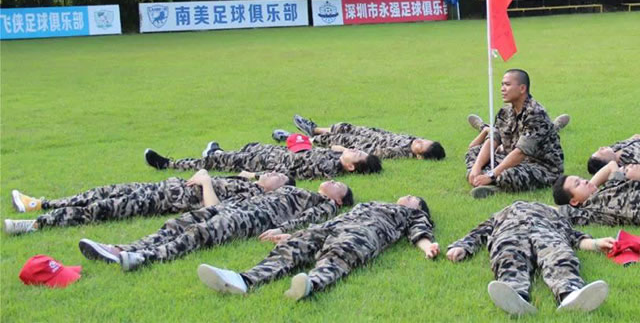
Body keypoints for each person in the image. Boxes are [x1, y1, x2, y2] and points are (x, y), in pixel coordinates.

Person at [76, 178, 353, 272]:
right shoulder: (299, 189)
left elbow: (308, 219)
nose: (333, 181)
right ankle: (120, 248)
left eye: (339, 185)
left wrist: (283, 229)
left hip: (256, 218)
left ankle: (143, 257)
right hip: (240, 205)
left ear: (339, 200)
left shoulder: (326, 204)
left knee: (201, 233)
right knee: (178, 223)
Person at [197, 195, 438, 298]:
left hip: (364, 233)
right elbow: (335, 218)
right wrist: (294, 234)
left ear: (418, 207)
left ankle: (311, 284)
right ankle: (242, 280)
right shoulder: (371, 203)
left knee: (338, 256)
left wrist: (427, 247)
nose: (408, 196)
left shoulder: (412, 214)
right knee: (291, 248)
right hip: (328, 227)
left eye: (414, 198)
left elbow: (419, 233)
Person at [446, 201, 613, 315]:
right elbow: (480, 232)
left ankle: (570, 293)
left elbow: (575, 237)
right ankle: (515, 294)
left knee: (560, 255)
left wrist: (596, 243)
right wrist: (462, 246)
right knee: (508, 255)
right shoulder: (503, 214)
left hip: (546, 233)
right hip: (511, 232)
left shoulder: (557, 217)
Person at [3, 169, 290, 235]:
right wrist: (253, 176)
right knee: (101, 192)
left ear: (275, 191)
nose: (272, 173)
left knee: (101, 209)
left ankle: (34, 224)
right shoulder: (249, 181)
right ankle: (40, 204)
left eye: (278, 177)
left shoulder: (252, 196)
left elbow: (214, 210)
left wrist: (205, 181)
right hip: (164, 185)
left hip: (168, 199)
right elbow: (251, 172)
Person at [465, 69, 564, 198]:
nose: (502, 89)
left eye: (507, 84)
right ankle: (480, 178)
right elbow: (493, 139)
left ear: (522, 88)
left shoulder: (535, 113)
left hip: (541, 167)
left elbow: (521, 152)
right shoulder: (505, 112)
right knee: (474, 152)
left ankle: (493, 186)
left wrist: (491, 174)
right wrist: (476, 168)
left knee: (507, 175)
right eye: (502, 84)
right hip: (513, 159)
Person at [144, 140, 382, 180]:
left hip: (265, 163)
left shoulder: (327, 166)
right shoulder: (335, 157)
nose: (354, 149)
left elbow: (291, 170)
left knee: (212, 163)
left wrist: (256, 175)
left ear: (351, 167)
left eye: (357, 154)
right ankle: (218, 154)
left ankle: (168, 164)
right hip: (269, 154)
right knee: (239, 151)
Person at [275, 115, 446, 160]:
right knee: (345, 127)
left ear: (419, 156)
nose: (419, 141)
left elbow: (376, 151)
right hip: (372, 134)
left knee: (336, 139)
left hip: (364, 143)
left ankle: (294, 139)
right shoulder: (413, 140)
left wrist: (349, 147)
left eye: (421, 145)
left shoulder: (400, 152)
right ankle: (314, 129)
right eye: (424, 140)